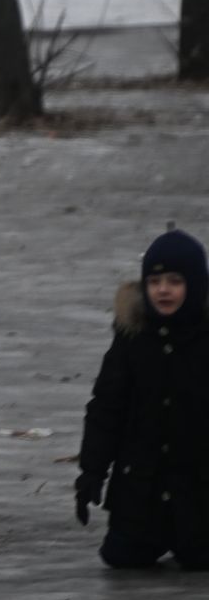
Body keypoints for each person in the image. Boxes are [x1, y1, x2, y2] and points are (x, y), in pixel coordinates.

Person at [76, 228, 209, 569]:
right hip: (140, 490)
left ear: (195, 284)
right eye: (154, 281)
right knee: (121, 558)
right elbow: (107, 407)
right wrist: (92, 471)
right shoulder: (133, 337)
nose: (163, 289)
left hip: (198, 492)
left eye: (175, 280)